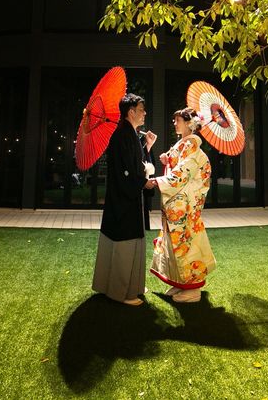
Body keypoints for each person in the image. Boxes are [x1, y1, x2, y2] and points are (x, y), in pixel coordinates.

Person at [92, 93, 157, 306]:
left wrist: (147, 147)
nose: (144, 113)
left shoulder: (128, 133)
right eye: (141, 109)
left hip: (125, 198)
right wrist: (143, 182)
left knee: (128, 242)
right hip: (124, 200)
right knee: (125, 244)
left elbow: (134, 163)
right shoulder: (123, 135)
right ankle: (122, 292)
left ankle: (130, 286)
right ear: (131, 112)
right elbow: (126, 171)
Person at [146, 107, 216, 303]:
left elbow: (182, 174)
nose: (174, 123)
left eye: (178, 120)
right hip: (177, 204)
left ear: (189, 123)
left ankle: (193, 289)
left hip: (185, 206)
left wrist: (157, 180)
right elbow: (177, 165)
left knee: (187, 244)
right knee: (174, 244)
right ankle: (180, 282)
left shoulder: (193, 149)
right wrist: (167, 159)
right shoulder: (184, 145)